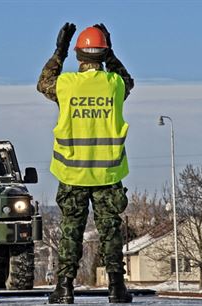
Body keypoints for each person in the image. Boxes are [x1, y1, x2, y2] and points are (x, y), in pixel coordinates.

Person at [37, 22, 134, 304]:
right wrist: (111, 52)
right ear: (102, 56)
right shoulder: (114, 85)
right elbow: (127, 79)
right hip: (107, 172)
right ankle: (117, 288)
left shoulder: (66, 85)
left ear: (78, 55)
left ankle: (65, 289)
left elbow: (43, 82)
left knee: (71, 231)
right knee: (110, 231)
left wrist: (59, 51)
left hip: (72, 172)